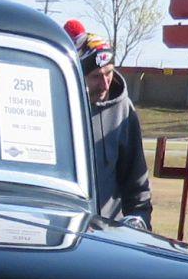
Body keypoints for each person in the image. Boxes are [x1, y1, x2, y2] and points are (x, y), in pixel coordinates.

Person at [65, 22, 152, 227]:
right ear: (76, 75)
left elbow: (136, 183)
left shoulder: (123, 110)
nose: (105, 84)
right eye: (96, 77)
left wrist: (141, 222)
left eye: (109, 72)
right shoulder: (54, 109)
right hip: (61, 231)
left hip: (106, 236)